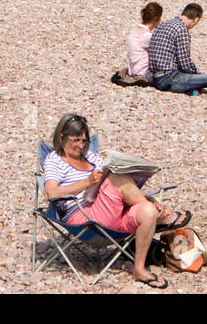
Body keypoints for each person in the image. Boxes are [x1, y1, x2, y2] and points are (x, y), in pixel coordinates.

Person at [42, 113, 190, 289]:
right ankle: (162, 218)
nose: (81, 146)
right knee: (116, 178)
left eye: (84, 141)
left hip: (111, 211)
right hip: (85, 219)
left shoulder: (91, 157)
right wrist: (87, 183)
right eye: (75, 140)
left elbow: (122, 189)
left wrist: (149, 200)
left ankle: (139, 269)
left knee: (146, 210)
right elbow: (50, 193)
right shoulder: (55, 160)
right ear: (61, 137)